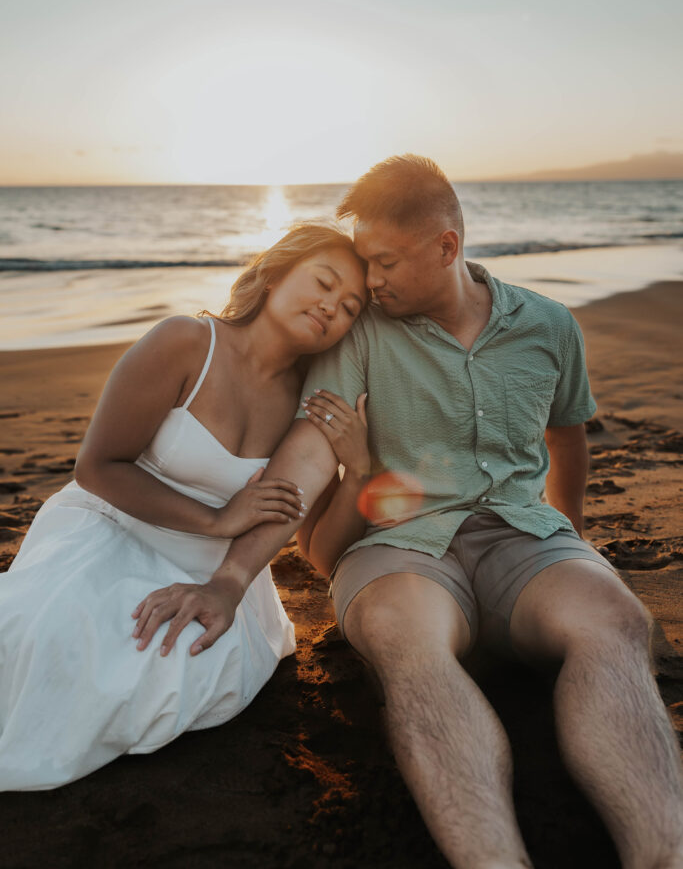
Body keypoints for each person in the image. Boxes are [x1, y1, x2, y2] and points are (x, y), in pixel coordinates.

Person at [134, 156, 683, 869]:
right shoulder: (359, 335)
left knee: (614, 621)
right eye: (364, 263)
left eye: (385, 261)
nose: (371, 281)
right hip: (398, 549)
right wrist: (232, 579)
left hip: (524, 537)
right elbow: (305, 458)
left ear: (446, 247)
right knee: (405, 644)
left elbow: (566, 433)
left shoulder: (548, 325)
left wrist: (569, 536)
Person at [0, 224, 367, 791]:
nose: (330, 307)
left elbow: (308, 534)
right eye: (323, 282)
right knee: (56, 637)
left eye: (349, 307)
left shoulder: (308, 402)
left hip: (206, 566)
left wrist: (358, 470)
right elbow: (97, 467)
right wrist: (217, 519)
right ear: (274, 273)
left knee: (175, 662)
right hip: (113, 522)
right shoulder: (186, 342)